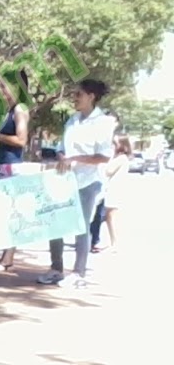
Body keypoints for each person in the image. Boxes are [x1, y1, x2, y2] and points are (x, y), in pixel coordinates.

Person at [36, 78, 116, 289]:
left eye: (79, 94)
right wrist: (62, 156)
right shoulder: (72, 120)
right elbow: (61, 148)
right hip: (65, 179)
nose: (75, 98)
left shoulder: (104, 123)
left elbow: (103, 156)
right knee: (55, 223)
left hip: (88, 181)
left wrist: (75, 159)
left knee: (81, 225)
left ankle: (79, 272)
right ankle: (56, 268)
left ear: (91, 96)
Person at [0, 75, 30, 272]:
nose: (2, 91)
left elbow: (21, 140)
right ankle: (4, 255)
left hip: (11, 165)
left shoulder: (20, 110)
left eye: (4, 87)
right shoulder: (9, 110)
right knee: (3, 211)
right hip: (2, 163)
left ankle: (8, 257)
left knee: (11, 211)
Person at [90, 135, 130, 253]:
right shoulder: (119, 157)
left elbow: (108, 171)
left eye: (115, 143)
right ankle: (113, 242)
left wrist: (107, 159)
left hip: (115, 189)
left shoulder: (121, 158)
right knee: (109, 217)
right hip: (112, 188)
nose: (112, 145)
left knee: (111, 217)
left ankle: (115, 243)